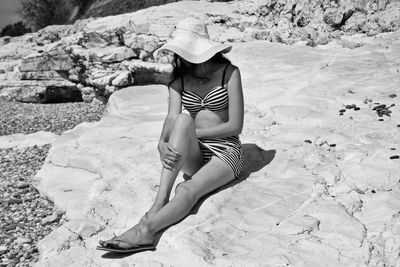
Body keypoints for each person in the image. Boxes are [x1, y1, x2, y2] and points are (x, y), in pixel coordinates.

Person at [98, 17, 244, 253]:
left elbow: (235, 126)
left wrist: (195, 134)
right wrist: (161, 143)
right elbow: (171, 118)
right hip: (195, 153)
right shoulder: (178, 81)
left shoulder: (229, 72)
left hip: (225, 152)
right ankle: (159, 202)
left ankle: (146, 229)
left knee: (187, 190)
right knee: (183, 119)